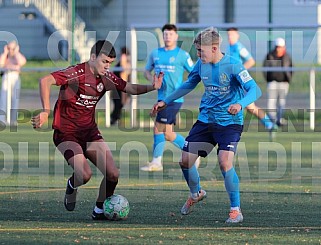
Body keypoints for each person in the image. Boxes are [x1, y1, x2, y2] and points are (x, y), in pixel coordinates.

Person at [31, 40, 163, 220]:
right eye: (104, 61)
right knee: (84, 175)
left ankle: (99, 209)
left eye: (110, 62)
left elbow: (129, 87)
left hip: (89, 132)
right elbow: (45, 81)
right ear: (93, 57)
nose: (107, 66)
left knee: (113, 174)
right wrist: (46, 111)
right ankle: (72, 184)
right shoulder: (75, 73)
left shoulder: (106, 78)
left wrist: (153, 87)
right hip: (66, 133)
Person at [151, 27, 262, 223]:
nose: (198, 54)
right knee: (185, 161)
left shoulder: (234, 65)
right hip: (205, 120)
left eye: (201, 50)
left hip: (230, 123)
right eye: (197, 50)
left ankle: (236, 210)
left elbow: (255, 89)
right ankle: (196, 193)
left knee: (225, 162)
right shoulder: (201, 65)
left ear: (214, 47)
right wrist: (165, 101)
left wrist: (240, 103)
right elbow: (188, 84)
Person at [140, 23, 195, 172]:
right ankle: (192, 152)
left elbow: (194, 72)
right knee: (168, 134)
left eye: (170, 34)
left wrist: (185, 86)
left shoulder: (183, 55)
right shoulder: (155, 53)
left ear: (176, 36)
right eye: (165, 34)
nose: (167, 37)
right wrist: (151, 78)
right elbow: (146, 71)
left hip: (174, 99)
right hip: (161, 98)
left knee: (159, 130)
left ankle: (157, 162)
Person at [227, 27, 277, 139]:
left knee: (249, 107)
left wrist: (239, 71)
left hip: (239, 82)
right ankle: (269, 124)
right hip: (232, 82)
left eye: (232, 35)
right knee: (248, 107)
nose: (230, 37)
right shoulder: (229, 47)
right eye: (229, 35)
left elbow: (251, 61)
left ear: (237, 35)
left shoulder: (239, 47)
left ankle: (269, 124)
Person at [263, 37, 293, 127]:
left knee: (281, 103)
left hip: (283, 83)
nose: (278, 49)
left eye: (280, 47)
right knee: (271, 102)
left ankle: (279, 120)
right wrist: (268, 79)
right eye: (277, 47)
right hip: (272, 83)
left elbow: (291, 68)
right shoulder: (270, 55)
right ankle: (272, 120)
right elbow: (265, 68)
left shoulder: (287, 57)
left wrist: (288, 79)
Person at [0, 40, 27, 126]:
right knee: (4, 99)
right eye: (9, 48)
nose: (11, 50)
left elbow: (21, 62)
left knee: (14, 99)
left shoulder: (18, 56)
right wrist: (5, 52)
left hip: (15, 77)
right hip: (6, 76)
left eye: (13, 48)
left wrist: (16, 52)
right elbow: (1, 64)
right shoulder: (5, 57)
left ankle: (13, 120)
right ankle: (2, 119)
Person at [110, 46, 131, 125]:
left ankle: (115, 118)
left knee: (120, 104)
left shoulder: (125, 62)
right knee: (119, 103)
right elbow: (123, 75)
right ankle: (114, 119)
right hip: (119, 87)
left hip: (118, 87)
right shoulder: (123, 61)